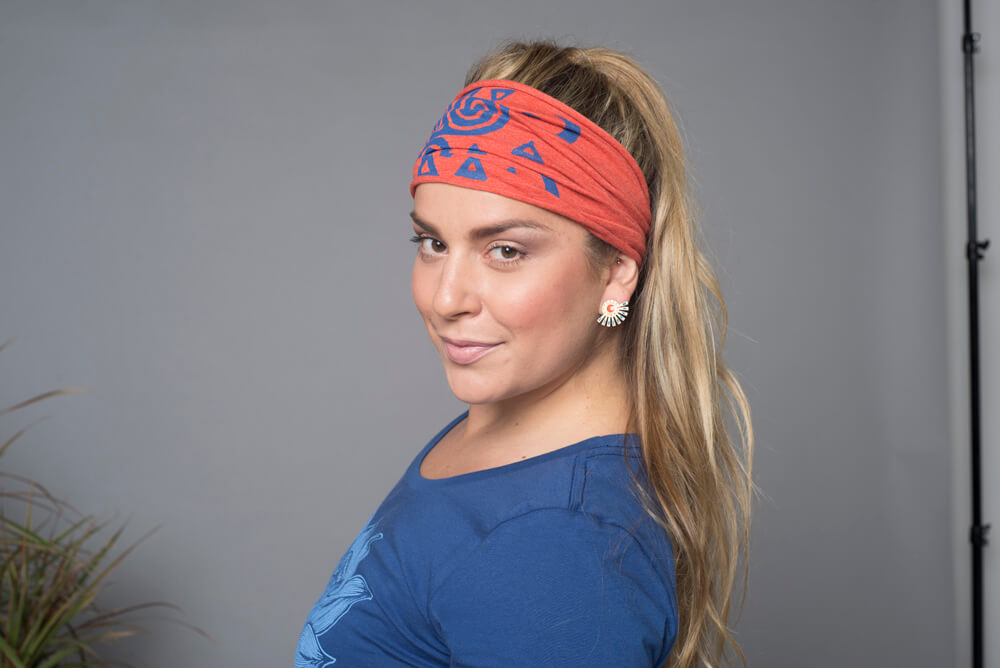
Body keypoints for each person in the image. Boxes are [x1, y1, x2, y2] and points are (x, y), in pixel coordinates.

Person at [296, 39, 754, 668]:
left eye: (505, 250)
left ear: (617, 273)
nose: (445, 297)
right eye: (431, 241)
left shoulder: (557, 540)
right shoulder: (509, 428)